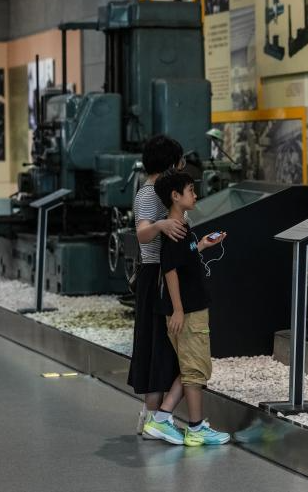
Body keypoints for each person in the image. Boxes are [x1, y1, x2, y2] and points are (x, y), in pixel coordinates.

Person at [146, 170, 229, 446]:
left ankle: (161, 418)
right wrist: (179, 309)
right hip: (189, 311)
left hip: (192, 308)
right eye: (191, 190)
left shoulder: (182, 228)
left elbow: (181, 260)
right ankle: (195, 427)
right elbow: (169, 269)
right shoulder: (175, 230)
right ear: (175, 195)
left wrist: (202, 245)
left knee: (191, 367)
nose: (195, 195)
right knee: (195, 371)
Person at [127, 135, 187, 440]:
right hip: (156, 276)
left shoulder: (157, 190)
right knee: (158, 345)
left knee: (159, 345)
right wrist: (161, 225)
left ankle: (150, 416)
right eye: (179, 161)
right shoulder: (150, 193)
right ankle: (154, 418)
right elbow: (142, 234)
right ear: (170, 164)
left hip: (160, 275)